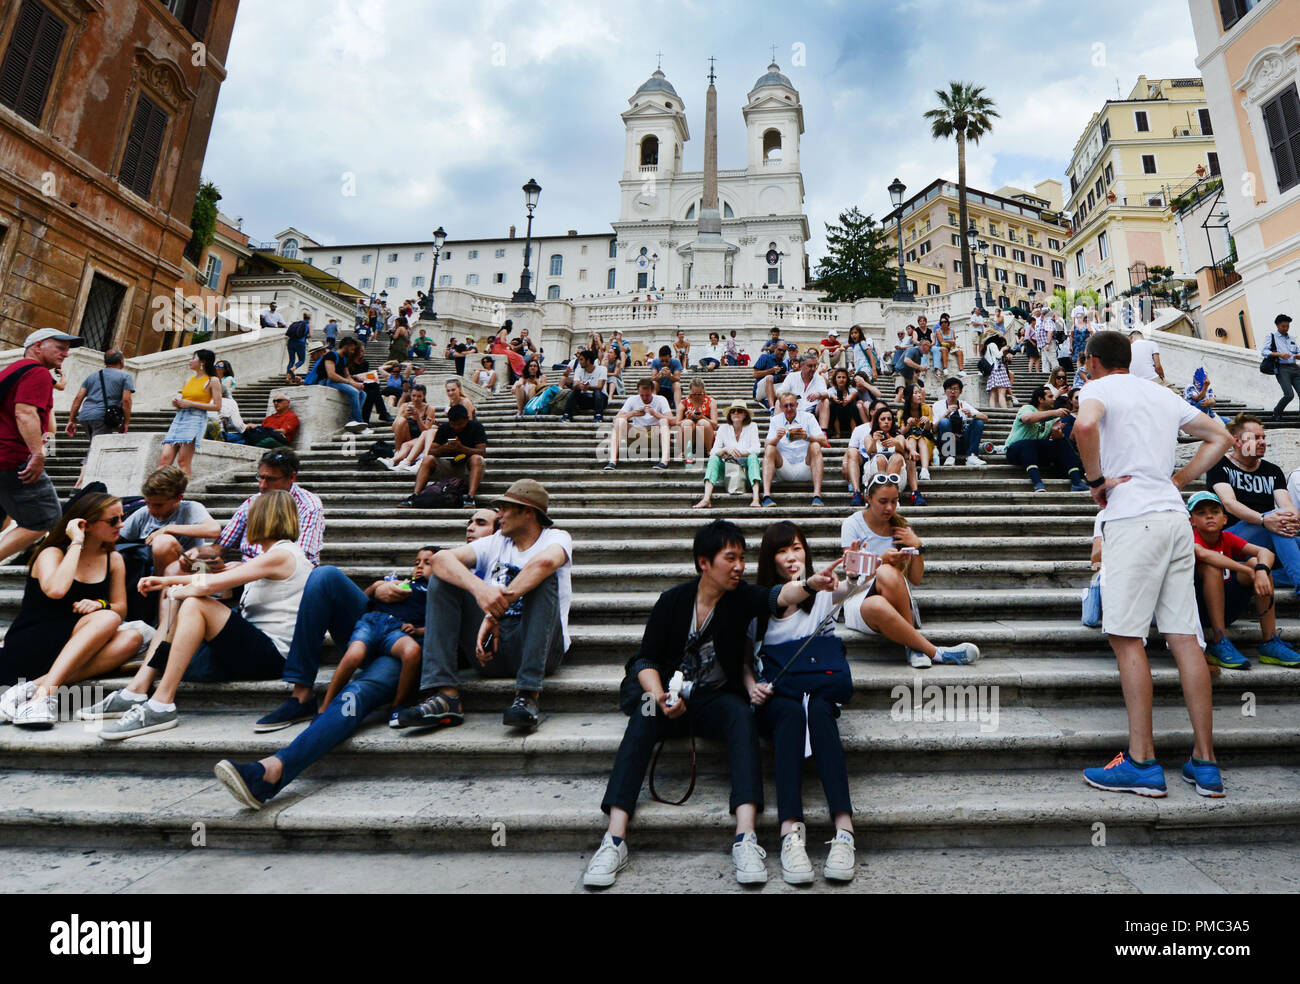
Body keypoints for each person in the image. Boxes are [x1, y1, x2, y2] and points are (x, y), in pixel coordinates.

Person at [584, 520, 821, 889]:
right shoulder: (673, 601)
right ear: (704, 563)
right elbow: (644, 661)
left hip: (714, 699)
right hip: (666, 697)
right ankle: (614, 839)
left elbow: (778, 597)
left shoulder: (741, 597)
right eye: (731, 558)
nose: (740, 566)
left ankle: (746, 837)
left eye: (743, 558)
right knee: (643, 716)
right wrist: (659, 696)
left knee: (741, 716)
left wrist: (809, 586)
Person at [1073, 330, 1233, 798]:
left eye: (1086, 362)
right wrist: (1179, 478)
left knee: (1127, 637)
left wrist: (1096, 480)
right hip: (1172, 517)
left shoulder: (1097, 388)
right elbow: (1220, 435)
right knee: (1186, 637)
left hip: (1132, 516)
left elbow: (1085, 428)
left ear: (1095, 361)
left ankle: (1142, 761)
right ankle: (1205, 762)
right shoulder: (1161, 394)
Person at [249, 507, 499, 733]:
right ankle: (301, 694)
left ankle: (351, 714)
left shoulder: (497, 571)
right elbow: (379, 602)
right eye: (469, 521)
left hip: (408, 648)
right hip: (375, 627)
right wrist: (376, 590)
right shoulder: (444, 562)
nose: (470, 526)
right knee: (325, 576)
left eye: (480, 522)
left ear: (499, 532)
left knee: (362, 691)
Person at [93, 491, 312, 740]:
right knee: (179, 602)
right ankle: (137, 690)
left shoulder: (282, 555)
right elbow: (215, 578)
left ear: (263, 518)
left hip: (272, 655)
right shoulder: (273, 557)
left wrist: (179, 589)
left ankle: (161, 703)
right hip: (255, 649)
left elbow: (210, 585)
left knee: (195, 603)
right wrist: (165, 580)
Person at [394, 479, 570, 731]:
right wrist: (481, 592)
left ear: (528, 513)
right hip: (489, 650)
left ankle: (528, 695)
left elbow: (544, 563)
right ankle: (446, 696)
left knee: (544, 576)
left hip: (541, 649)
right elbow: (440, 559)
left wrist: (495, 611)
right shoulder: (496, 542)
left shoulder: (556, 538)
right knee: (443, 578)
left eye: (505, 508)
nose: (499, 515)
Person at [748, 521, 857, 883]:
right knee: (793, 714)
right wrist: (751, 685)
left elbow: (848, 588)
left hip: (819, 692)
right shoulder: (760, 602)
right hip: (778, 697)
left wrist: (856, 574)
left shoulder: (823, 591)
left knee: (820, 711)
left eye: (796, 547)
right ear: (770, 558)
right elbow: (741, 657)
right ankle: (790, 834)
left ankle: (845, 832)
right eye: (782, 550)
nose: (792, 556)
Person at [0, 493, 142, 727]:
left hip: (73, 649)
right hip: (33, 642)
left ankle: (31, 689)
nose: (121, 525)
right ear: (85, 524)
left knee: (131, 637)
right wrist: (76, 543)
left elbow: (121, 608)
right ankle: (40, 698)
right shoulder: (52, 553)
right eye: (112, 520)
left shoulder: (113, 559)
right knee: (107, 619)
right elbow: (56, 590)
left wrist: (101, 604)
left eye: (122, 517)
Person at [840, 473, 980, 669]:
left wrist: (918, 548)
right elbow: (852, 575)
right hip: (859, 597)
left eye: (894, 501)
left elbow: (915, 578)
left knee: (887, 574)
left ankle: (914, 647)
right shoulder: (852, 524)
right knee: (880, 592)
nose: (889, 507)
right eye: (883, 501)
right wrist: (881, 561)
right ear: (868, 499)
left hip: (896, 596)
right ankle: (933, 652)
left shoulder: (900, 527)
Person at [1187, 491, 1300, 670]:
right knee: (1210, 568)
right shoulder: (1190, 538)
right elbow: (1204, 554)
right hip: (1199, 612)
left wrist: (1261, 570)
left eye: (1214, 512)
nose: (1209, 515)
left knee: (1258, 563)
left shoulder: (1228, 538)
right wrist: (1245, 568)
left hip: (1228, 608)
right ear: (1191, 521)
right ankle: (1219, 641)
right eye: (1201, 513)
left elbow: (1266, 553)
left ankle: (1270, 641)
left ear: (1224, 519)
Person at [318, 546, 434, 715]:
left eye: (427, 563)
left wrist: (418, 631)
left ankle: (398, 705)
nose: (419, 567)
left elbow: (438, 624)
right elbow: (365, 603)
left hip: (397, 629)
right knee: (354, 655)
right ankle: (325, 706)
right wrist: (378, 588)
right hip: (373, 621)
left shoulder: (435, 591)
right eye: (417, 563)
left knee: (412, 651)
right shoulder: (405, 583)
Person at [0, 329, 74, 570]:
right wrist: (38, 453)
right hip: (14, 458)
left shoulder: (11, 370)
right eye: (60, 347)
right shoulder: (38, 373)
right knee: (44, 518)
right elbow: (24, 412)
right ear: (38, 346)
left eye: (67, 348)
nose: (66, 353)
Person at [1205, 414, 1300, 591]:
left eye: (1263, 437)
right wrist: (1265, 520)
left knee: (1279, 519)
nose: (1262, 442)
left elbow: (1288, 506)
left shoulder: (1273, 471)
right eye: (1255, 438)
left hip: (1269, 536)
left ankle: (1256, 575)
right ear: (1237, 441)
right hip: (1232, 539)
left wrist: (1292, 518)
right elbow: (1229, 503)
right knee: (1274, 517)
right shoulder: (1219, 465)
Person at [186, 448, 325, 567]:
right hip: (244, 575)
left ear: (292, 477)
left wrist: (245, 568)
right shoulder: (252, 502)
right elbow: (219, 547)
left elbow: (297, 559)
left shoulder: (309, 506)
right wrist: (197, 552)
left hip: (283, 578)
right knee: (181, 573)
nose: (262, 485)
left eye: (271, 479)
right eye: (260, 477)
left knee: (196, 591)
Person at [119, 466, 214, 580]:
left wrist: (167, 528)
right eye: (148, 503)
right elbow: (117, 539)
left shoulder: (191, 508)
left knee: (163, 542)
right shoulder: (143, 513)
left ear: (179, 498)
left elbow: (213, 530)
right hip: (149, 571)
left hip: (193, 569)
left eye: (159, 505)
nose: (151, 509)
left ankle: (162, 592)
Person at [65, 348, 134, 487]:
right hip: (104, 417)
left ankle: (90, 481)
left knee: (94, 446)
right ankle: (80, 484)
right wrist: (126, 422)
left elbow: (78, 398)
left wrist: (71, 420)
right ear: (121, 361)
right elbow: (126, 400)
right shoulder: (125, 377)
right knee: (95, 449)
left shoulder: (92, 376)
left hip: (85, 415)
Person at [1005, 385, 1088, 493]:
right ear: (1040, 399)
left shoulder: (1054, 417)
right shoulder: (1027, 408)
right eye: (1050, 396)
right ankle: (1037, 483)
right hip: (1015, 451)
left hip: (1036, 452)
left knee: (1062, 443)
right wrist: (1054, 412)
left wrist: (1056, 432)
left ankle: (1077, 482)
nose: (1054, 398)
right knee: (1028, 444)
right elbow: (1028, 418)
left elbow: (1057, 438)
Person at [407, 404, 486, 508]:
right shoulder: (445, 428)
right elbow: (431, 451)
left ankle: (470, 497)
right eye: (453, 424)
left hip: (468, 469)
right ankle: (415, 495)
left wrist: (462, 448)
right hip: (449, 467)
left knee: (476, 459)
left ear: (467, 419)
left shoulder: (476, 427)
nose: (456, 427)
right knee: (427, 459)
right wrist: (443, 448)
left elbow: (482, 452)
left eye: (460, 424)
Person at [158, 349, 222, 476]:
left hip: (195, 419)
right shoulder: (188, 380)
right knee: (164, 459)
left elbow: (217, 406)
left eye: (194, 358)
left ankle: (180, 493)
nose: (191, 361)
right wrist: (177, 402)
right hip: (180, 418)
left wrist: (191, 404)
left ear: (202, 362)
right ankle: (155, 491)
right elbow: (184, 397)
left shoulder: (212, 380)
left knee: (183, 461)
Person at [761, 392, 828, 508]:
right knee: (770, 448)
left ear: (797, 404)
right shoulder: (776, 420)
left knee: (815, 445)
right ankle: (766, 496)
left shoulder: (808, 417)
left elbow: (823, 441)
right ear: (781, 407)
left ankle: (817, 495)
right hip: (784, 467)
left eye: (791, 405)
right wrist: (777, 438)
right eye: (785, 406)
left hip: (806, 466)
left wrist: (806, 436)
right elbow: (766, 444)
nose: (789, 408)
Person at [694, 400, 761, 509]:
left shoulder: (752, 426)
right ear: (730, 414)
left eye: (739, 411)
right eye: (733, 411)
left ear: (745, 414)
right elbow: (713, 451)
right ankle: (706, 499)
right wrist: (726, 449)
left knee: (753, 457)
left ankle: (756, 498)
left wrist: (735, 453)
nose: (735, 413)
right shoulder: (723, 428)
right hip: (728, 468)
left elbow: (756, 449)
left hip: (746, 469)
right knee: (714, 458)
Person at [304, 336, 368, 431]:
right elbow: (331, 375)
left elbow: (347, 375)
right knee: (354, 392)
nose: (353, 352)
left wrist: (355, 384)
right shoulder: (331, 355)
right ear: (346, 346)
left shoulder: (344, 359)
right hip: (327, 382)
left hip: (337, 382)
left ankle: (352, 419)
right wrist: (350, 383)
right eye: (352, 349)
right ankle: (359, 421)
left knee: (363, 394)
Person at [606, 378, 672, 470]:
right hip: (636, 435)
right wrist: (632, 414)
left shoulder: (661, 399)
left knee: (664, 421)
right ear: (638, 392)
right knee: (620, 421)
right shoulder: (632, 399)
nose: (644, 398)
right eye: (642, 395)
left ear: (652, 391)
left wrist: (655, 414)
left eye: (647, 395)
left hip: (654, 434)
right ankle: (612, 461)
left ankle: (664, 461)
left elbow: (672, 420)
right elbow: (616, 419)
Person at [934, 376, 988, 467]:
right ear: (945, 391)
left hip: (961, 442)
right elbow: (934, 429)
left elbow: (985, 417)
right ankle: (949, 456)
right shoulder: (938, 405)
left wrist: (972, 414)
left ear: (960, 391)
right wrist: (946, 413)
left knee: (978, 421)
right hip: (944, 443)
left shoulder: (964, 404)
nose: (952, 392)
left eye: (955, 389)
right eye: (950, 389)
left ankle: (972, 456)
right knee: (944, 422)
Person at [1260, 314, 1299, 421]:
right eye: (1283, 326)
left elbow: (1297, 351)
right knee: (1289, 395)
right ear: (1277, 326)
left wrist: (1297, 355)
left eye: (1287, 326)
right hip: (1281, 368)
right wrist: (1279, 354)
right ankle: (1277, 412)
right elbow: (1264, 351)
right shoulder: (1271, 336)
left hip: (1295, 367)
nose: (1286, 328)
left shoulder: (1291, 338)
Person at [778, 353, 831, 432]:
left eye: (815, 366)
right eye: (810, 366)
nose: (813, 369)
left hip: (813, 411)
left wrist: (819, 395)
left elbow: (826, 393)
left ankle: (823, 432)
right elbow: (779, 392)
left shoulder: (819, 378)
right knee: (777, 402)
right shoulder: (792, 376)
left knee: (825, 401)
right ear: (801, 366)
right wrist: (789, 398)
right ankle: (778, 431)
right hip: (793, 409)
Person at [228, 395, 300, 447]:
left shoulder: (291, 416)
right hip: (261, 437)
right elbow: (261, 430)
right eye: (274, 401)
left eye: (279, 401)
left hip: (276, 440)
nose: (275, 403)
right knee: (240, 435)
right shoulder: (270, 417)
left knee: (242, 441)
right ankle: (223, 437)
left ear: (287, 402)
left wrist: (259, 429)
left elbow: (282, 432)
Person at [558, 348, 608, 423]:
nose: (579, 362)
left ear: (588, 361)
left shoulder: (602, 369)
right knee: (575, 391)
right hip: (584, 400)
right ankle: (567, 415)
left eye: (581, 359)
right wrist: (579, 386)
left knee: (597, 391)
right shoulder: (578, 370)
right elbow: (574, 385)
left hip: (600, 400)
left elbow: (600, 387)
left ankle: (598, 416)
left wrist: (588, 387)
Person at [676, 377, 716, 465]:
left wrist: (703, 417)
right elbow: (677, 423)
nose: (697, 397)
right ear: (690, 392)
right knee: (687, 423)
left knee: (703, 423)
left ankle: (709, 450)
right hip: (689, 433)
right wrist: (687, 418)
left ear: (704, 392)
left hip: (705, 434)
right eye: (694, 394)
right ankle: (686, 452)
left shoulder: (711, 401)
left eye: (699, 394)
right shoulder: (684, 403)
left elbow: (714, 424)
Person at [825, 367, 865, 439]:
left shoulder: (851, 389)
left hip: (849, 416)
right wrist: (835, 398)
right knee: (833, 404)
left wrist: (848, 399)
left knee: (853, 404)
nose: (841, 379)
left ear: (847, 379)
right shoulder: (831, 390)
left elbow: (854, 394)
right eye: (839, 377)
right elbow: (830, 394)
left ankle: (854, 432)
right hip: (836, 417)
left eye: (844, 377)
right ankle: (837, 433)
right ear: (835, 379)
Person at [752, 340, 790, 409]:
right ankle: (771, 406)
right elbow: (755, 374)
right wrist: (771, 370)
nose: (781, 352)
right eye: (780, 349)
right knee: (770, 377)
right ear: (775, 348)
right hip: (760, 390)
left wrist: (785, 377)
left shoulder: (783, 365)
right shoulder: (765, 357)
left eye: (784, 351)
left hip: (772, 390)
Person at [284, 311, 311, 381]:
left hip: (290, 342)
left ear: (303, 316)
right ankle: (292, 369)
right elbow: (309, 335)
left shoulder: (296, 323)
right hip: (300, 343)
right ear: (309, 318)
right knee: (302, 360)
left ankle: (288, 377)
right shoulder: (307, 324)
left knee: (291, 360)